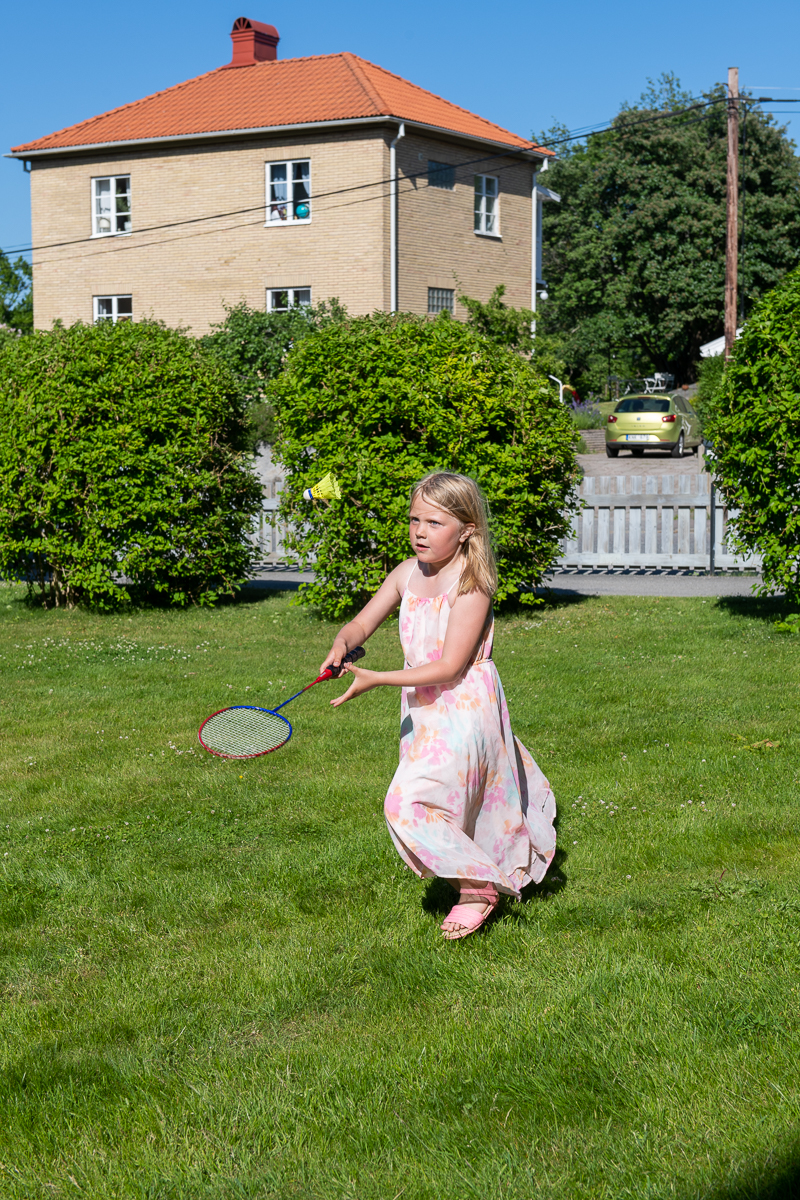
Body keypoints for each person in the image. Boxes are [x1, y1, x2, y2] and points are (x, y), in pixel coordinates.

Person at [321, 472, 556, 940]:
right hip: (423, 713)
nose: (420, 532)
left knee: (405, 803)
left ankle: (477, 890)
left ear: (467, 528)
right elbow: (362, 623)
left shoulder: (473, 584)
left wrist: (378, 678)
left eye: (434, 522)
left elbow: (450, 666)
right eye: (414, 520)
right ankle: (476, 878)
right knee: (443, 801)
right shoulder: (407, 573)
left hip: (465, 707)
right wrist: (343, 641)